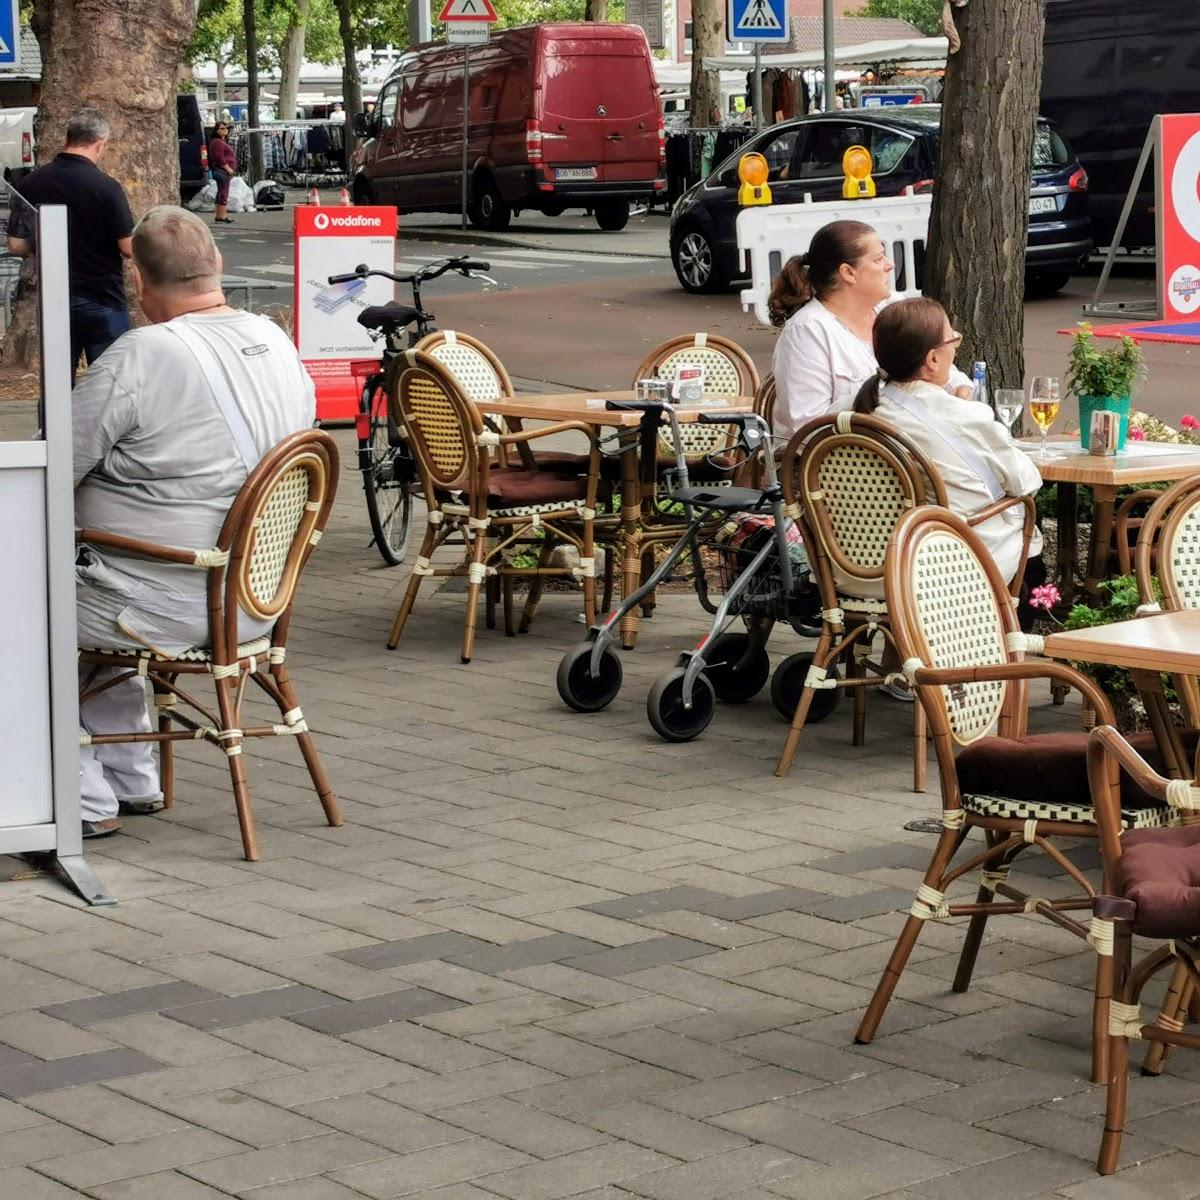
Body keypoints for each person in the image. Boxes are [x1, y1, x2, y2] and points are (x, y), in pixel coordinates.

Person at [73, 206, 316, 838]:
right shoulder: (276, 342)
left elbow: (55, 464)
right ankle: (129, 777)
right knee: (82, 585)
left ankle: (79, 796)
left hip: (166, 599)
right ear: (218, 266)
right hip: (255, 598)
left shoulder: (143, 353)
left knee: (27, 602)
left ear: (141, 285)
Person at [852, 296, 1046, 622]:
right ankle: (999, 651)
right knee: (1029, 530)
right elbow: (1027, 482)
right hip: (947, 563)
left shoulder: (854, 409)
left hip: (862, 566)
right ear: (932, 359)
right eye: (952, 339)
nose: (956, 344)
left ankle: (897, 654)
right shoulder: (964, 416)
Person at [768, 219, 973, 442]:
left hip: (907, 451)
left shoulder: (893, 306)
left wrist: (959, 387)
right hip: (833, 468)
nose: (890, 265)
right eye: (878, 259)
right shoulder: (807, 332)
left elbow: (937, 359)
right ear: (848, 273)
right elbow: (807, 429)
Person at [7, 108, 134, 371]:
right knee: (109, 383)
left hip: (55, 298)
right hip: (103, 298)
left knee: (56, 384)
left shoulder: (31, 184)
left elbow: (16, 245)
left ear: (66, 139)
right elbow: (127, 248)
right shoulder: (107, 187)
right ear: (100, 144)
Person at [209, 121, 237, 225]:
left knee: (221, 192)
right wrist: (228, 169)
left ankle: (219, 215)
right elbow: (219, 157)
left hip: (223, 170)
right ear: (216, 130)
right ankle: (222, 215)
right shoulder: (218, 142)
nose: (225, 130)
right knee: (223, 192)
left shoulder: (221, 141)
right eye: (222, 128)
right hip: (223, 171)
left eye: (226, 128)